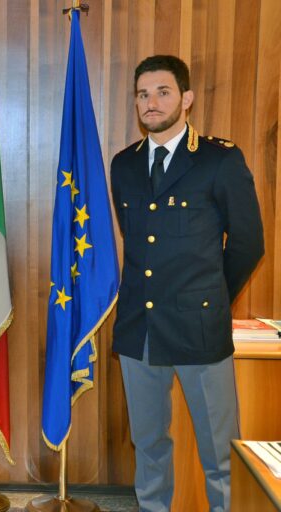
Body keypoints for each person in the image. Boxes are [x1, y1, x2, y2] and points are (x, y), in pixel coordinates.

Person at [110, 55, 264, 511]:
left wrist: (210, 298)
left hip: (200, 329)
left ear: (187, 98)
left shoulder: (219, 159)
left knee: (220, 453)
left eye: (163, 92)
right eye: (143, 94)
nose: (151, 103)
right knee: (148, 446)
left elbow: (248, 244)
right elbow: (136, 239)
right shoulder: (124, 164)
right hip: (140, 329)